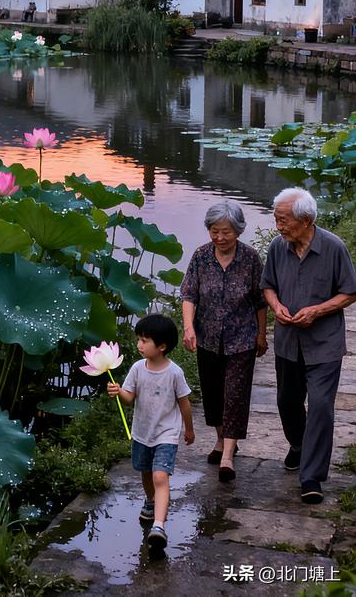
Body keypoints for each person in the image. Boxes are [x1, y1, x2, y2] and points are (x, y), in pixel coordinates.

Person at [261, 187, 356, 504]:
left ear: (305, 220)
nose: (279, 226)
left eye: (283, 220)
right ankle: (299, 444)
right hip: (288, 341)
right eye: (276, 219)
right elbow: (268, 286)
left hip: (324, 344)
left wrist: (317, 310)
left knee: (319, 406)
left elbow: (350, 293)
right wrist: (275, 307)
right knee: (287, 401)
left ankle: (312, 476)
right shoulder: (278, 247)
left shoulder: (333, 247)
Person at [180, 200, 267, 482]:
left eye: (226, 232)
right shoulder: (201, 257)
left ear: (238, 231)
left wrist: (261, 334)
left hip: (241, 339)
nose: (220, 237)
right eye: (214, 231)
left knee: (236, 395)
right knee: (213, 394)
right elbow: (189, 295)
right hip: (208, 338)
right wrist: (188, 328)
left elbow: (259, 301)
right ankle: (221, 438)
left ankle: (228, 455)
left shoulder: (251, 258)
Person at [107, 313, 194, 551]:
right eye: (138, 340)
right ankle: (150, 500)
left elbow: (184, 403)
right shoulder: (137, 369)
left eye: (144, 341)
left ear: (162, 346)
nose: (139, 345)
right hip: (142, 432)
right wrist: (118, 391)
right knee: (145, 473)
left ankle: (159, 525)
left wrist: (189, 429)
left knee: (160, 476)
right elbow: (128, 398)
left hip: (166, 434)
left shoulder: (174, 372)